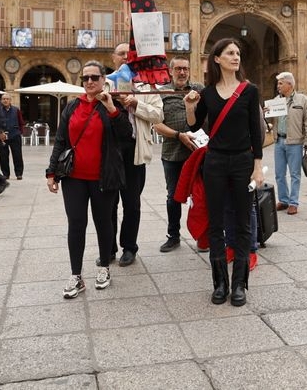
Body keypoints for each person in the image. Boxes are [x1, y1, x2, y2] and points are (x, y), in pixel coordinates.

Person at [185, 38, 263, 307]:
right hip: (215, 161)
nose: (235, 57)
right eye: (230, 53)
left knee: (242, 223)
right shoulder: (207, 93)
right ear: (216, 59)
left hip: (242, 161)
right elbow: (194, 124)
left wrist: (257, 167)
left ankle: (239, 284)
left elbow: (257, 130)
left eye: (238, 53)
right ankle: (220, 283)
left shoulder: (249, 91)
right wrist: (189, 105)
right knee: (215, 222)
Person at [47, 61, 132, 298]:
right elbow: (61, 141)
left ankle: (104, 267)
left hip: (103, 177)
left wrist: (112, 109)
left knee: (103, 222)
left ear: (104, 80)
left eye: (95, 77)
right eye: (86, 78)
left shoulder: (112, 106)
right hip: (73, 177)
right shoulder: (72, 107)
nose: (90, 82)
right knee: (76, 224)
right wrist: (51, 172)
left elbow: (126, 135)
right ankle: (76, 275)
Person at [103, 42, 164, 267]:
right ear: (113, 58)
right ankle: (108, 248)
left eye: (130, 55)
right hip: (109, 152)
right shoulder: (104, 82)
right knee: (107, 203)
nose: (125, 58)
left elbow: (158, 115)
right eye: (121, 54)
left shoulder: (146, 85)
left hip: (134, 151)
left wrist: (137, 104)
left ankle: (129, 248)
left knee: (132, 204)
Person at [153, 57, 203, 253]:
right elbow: (156, 124)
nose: (182, 72)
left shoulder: (199, 88)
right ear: (171, 71)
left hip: (198, 153)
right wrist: (178, 135)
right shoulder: (161, 92)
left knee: (201, 195)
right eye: (179, 69)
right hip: (172, 154)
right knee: (173, 197)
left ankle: (202, 235)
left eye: (186, 69)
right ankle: (173, 236)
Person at [269, 72, 307, 215]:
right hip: (279, 141)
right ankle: (283, 200)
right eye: (278, 83)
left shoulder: (302, 100)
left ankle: (293, 202)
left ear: (290, 84)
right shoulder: (276, 100)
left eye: (281, 83)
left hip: (295, 142)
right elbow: (271, 121)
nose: (278, 86)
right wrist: (266, 113)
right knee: (279, 174)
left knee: (295, 174)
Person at [0, 94, 25, 180]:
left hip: (14, 135)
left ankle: (19, 173)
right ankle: (6, 174)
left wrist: (19, 132)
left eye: (7, 99)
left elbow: (21, 122)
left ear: (10, 100)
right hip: (1, 136)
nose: (5, 100)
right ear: (1, 100)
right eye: (3, 99)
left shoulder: (16, 110)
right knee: (3, 156)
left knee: (17, 155)